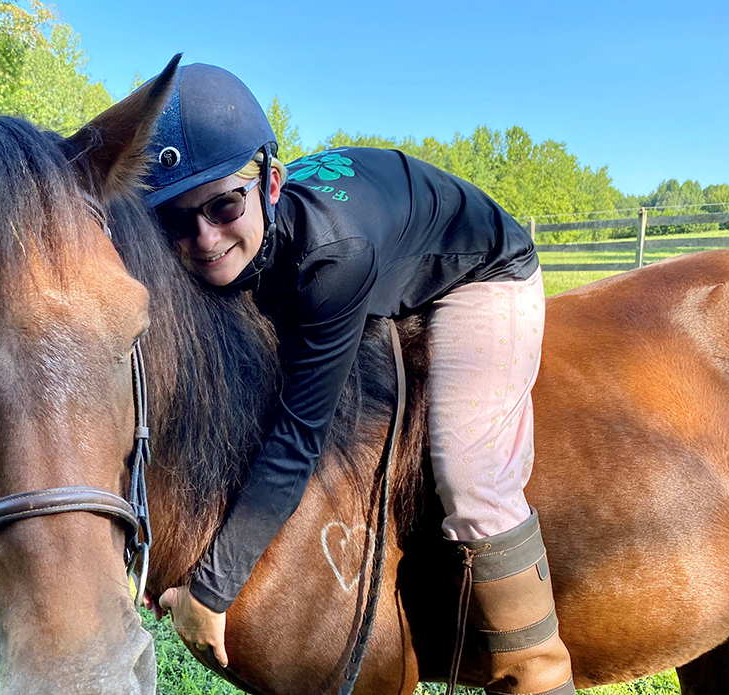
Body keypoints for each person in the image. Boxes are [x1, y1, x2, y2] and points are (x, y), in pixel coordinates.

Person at [145, 63, 575, 695]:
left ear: (270, 183)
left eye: (223, 205)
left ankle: (539, 671)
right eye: (177, 222)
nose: (205, 238)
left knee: (470, 473)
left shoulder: (332, 258)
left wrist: (211, 589)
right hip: (386, 240)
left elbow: (300, 437)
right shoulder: (243, 236)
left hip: (480, 268)